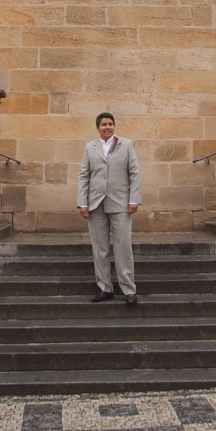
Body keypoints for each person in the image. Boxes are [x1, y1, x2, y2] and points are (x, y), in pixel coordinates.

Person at [76, 112, 141, 305]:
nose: (107, 127)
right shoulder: (90, 147)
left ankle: (129, 289)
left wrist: (134, 200)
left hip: (121, 203)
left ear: (114, 126)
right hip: (95, 203)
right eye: (103, 124)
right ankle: (105, 288)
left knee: (123, 248)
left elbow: (134, 173)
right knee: (100, 249)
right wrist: (83, 203)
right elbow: (83, 176)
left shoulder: (126, 145)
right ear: (98, 128)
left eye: (110, 124)